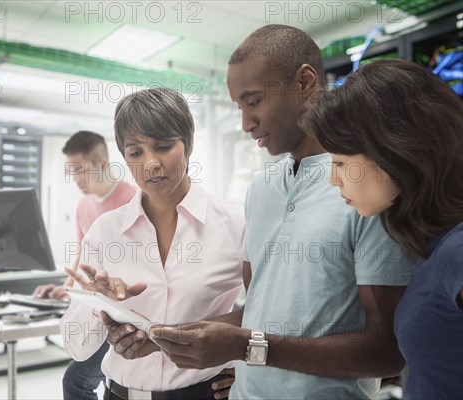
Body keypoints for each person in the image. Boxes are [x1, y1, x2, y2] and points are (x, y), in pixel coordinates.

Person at [140, 25, 416, 399]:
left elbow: (387, 351)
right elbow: (257, 314)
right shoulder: (261, 190)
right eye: (239, 107)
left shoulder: (369, 189)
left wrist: (248, 347)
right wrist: (166, 336)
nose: (245, 124)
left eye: (253, 102)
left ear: (304, 82)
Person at [60, 87, 245, 400]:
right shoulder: (106, 231)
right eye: (136, 152)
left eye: (163, 146)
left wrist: (248, 371)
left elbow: (269, 316)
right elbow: (76, 347)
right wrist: (98, 305)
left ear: (189, 144)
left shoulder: (235, 225)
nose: (151, 164)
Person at [301, 58, 463, 399]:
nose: (333, 179)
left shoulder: (456, 249)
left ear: (394, 150)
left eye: (341, 162)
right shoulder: (430, 245)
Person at [34, 130, 137, 400]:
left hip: (122, 311)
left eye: (80, 170)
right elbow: (83, 252)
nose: (75, 179)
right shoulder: (83, 206)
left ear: (101, 165)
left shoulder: (132, 199)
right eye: (72, 171)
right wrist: (66, 288)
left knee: (76, 381)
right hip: (94, 307)